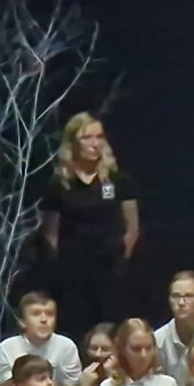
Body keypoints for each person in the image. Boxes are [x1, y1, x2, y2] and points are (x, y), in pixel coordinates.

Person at [38, 113, 139, 336]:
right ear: (73, 142)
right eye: (87, 138)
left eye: (99, 137)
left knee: (112, 327)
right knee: (77, 326)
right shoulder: (60, 183)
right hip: (74, 272)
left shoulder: (117, 180)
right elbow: (50, 233)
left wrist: (120, 258)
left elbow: (132, 228)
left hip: (111, 269)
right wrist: (65, 262)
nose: (95, 144)